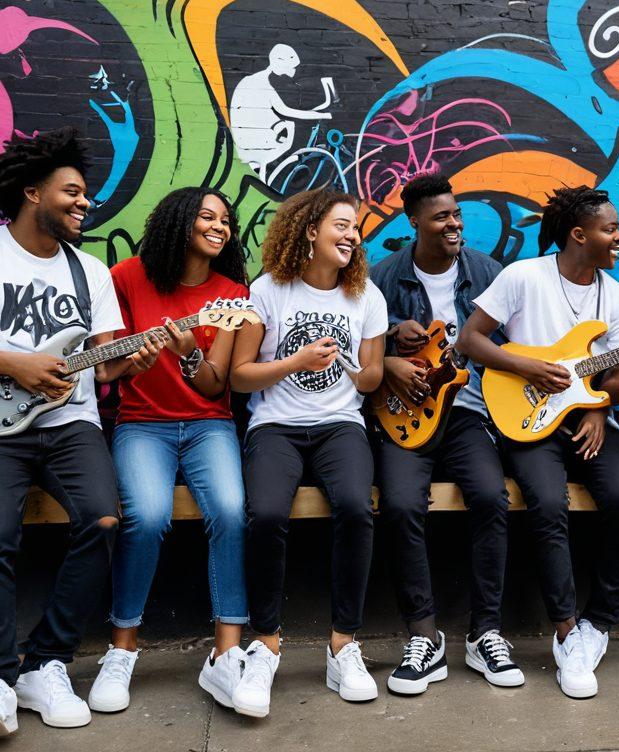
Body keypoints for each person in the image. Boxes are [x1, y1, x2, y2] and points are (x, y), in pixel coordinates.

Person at [0, 127, 160, 737]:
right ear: (31, 192)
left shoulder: (90, 272)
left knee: (104, 520)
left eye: (86, 195)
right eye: (71, 192)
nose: (84, 203)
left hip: (70, 421)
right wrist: (15, 362)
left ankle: (45, 663)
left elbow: (105, 364)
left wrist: (145, 353)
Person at [459, 186, 619, 700]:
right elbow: (471, 340)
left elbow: (614, 378)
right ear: (579, 235)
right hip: (527, 416)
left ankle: (598, 622)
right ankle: (566, 630)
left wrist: (601, 405)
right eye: (609, 229)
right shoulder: (524, 277)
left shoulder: (616, 298)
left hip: (585, 419)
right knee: (547, 504)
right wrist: (527, 365)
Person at [86, 187, 251, 713]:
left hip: (208, 424)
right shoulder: (127, 277)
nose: (219, 226)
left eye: (226, 219)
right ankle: (122, 649)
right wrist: (129, 362)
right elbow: (101, 360)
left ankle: (226, 656)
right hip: (141, 424)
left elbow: (212, 384)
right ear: (178, 221)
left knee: (229, 511)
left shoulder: (231, 293)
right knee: (148, 516)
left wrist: (187, 354)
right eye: (207, 216)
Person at [229, 188, 388, 714]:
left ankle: (343, 644)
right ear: (310, 230)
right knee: (267, 514)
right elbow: (241, 374)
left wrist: (350, 365)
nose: (352, 236)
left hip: (340, 424)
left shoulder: (366, 296)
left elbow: (368, 382)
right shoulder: (269, 290)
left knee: (354, 508)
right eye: (341, 226)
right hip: (276, 425)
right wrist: (295, 362)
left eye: (356, 229)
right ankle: (265, 644)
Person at [369, 172, 522, 694]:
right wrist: (390, 342)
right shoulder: (383, 277)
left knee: (490, 498)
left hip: (468, 414)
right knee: (401, 505)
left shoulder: (487, 273)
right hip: (405, 414)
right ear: (415, 222)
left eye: (457, 214)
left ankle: (486, 633)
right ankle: (424, 636)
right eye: (442, 217)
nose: (454, 223)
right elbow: (353, 340)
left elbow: (516, 343)